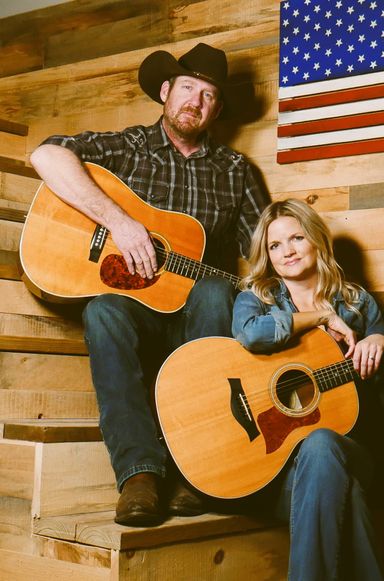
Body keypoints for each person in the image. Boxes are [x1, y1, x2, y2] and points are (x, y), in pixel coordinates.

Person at [29, 42, 269, 526]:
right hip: (134, 309)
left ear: (217, 108)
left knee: (216, 291)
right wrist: (119, 222)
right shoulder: (131, 146)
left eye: (208, 95)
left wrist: (321, 302)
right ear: (165, 91)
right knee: (102, 310)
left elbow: (269, 252)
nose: (195, 101)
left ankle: (192, 468)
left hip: (199, 320)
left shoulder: (235, 171)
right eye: (187, 88)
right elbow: (46, 154)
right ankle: (139, 474)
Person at [232, 199, 384, 580]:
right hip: (278, 470)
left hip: (350, 450)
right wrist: (321, 316)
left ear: (316, 240)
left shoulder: (356, 304)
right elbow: (250, 334)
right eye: (275, 245)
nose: (287, 251)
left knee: (322, 442)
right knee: (349, 495)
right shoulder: (256, 298)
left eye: (296, 238)